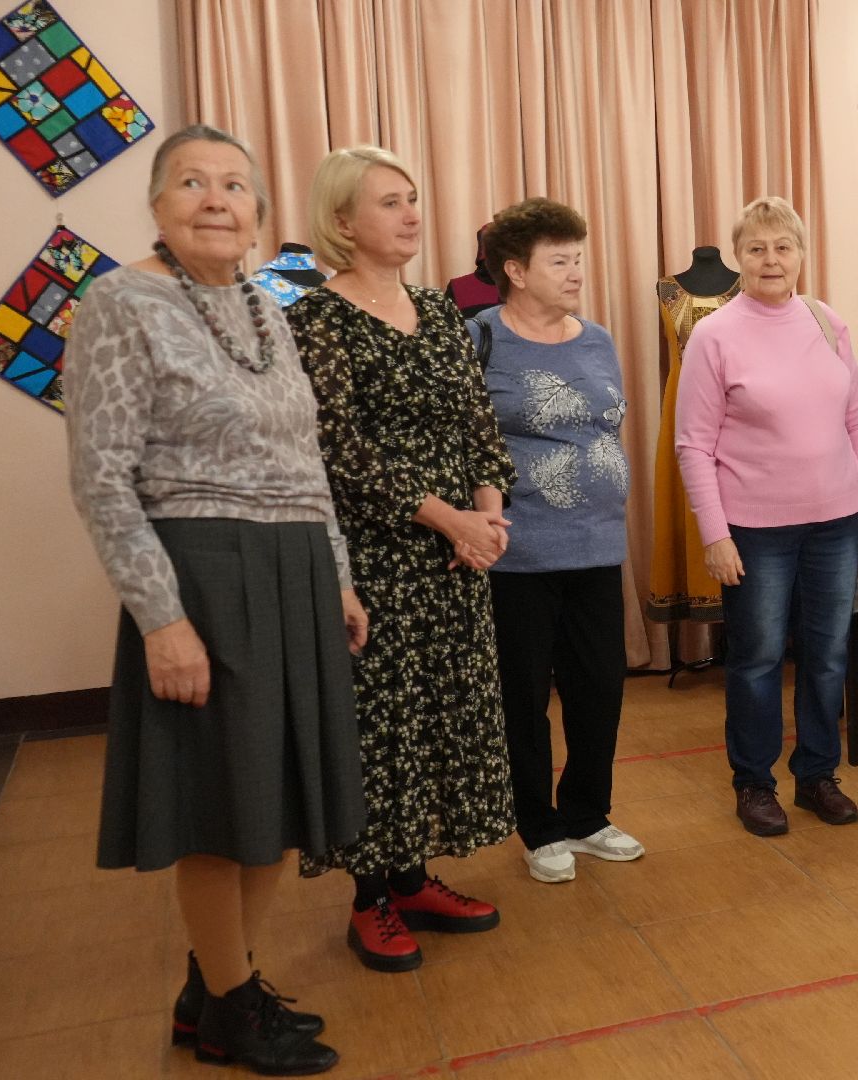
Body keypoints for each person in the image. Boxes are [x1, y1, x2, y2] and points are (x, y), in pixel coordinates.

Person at [68, 123, 360, 1074]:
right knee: (219, 805)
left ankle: (217, 988)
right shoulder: (120, 301)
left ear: (259, 213)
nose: (216, 199)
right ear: (157, 204)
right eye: (191, 182)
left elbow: (305, 457)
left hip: (293, 572)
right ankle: (233, 1006)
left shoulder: (265, 306)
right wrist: (162, 618)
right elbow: (102, 479)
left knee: (272, 800)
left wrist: (337, 574)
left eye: (235, 185)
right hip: (202, 575)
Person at [287, 146, 517, 971]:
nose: (411, 213)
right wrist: (449, 521)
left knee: (442, 718)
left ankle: (414, 878)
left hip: (457, 558)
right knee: (381, 727)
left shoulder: (436, 307)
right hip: (377, 556)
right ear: (342, 221)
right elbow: (338, 449)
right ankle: (370, 897)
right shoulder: (317, 318)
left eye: (413, 197)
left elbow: (478, 420)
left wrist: (488, 515)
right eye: (389, 201)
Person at [674, 196, 858, 837]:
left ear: (801, 254)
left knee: (826, 655)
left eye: (783, 247)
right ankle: (754, 783)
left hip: (835, 522)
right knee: (759, 659)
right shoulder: (714, 334)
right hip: (755, 529)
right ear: (739, 258)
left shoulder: (825, 321)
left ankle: (818, 774)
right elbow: (693, 445)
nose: (772, 260)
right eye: (758, 248)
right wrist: (716, 534)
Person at [471, 197, 643, 883]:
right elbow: (466, 440)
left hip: (597, 545)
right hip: (519, 554)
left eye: (578, 258)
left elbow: (605, 426)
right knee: (524, 698)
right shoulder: (480, 337)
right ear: (515, 270)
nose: (576, 272)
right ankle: (538, 826)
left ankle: (588, 814)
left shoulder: (596, 338)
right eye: (559, 261)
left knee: (599, 688)